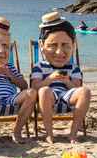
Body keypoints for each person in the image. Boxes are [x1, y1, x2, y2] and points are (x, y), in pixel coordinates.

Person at [30, 11, 91, 143]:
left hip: (67, 97)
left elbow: (77, 88)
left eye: (65, 45)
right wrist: (49, 80)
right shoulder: (39, 66)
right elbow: (34, 88)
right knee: (44, 90)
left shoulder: (73, 67)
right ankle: (49, 134)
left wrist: (67, 81)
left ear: (73, 45)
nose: (59, 52)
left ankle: (73, 133)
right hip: (47, 98)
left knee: (85, 91)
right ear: (41, 46)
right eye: (52, 45)